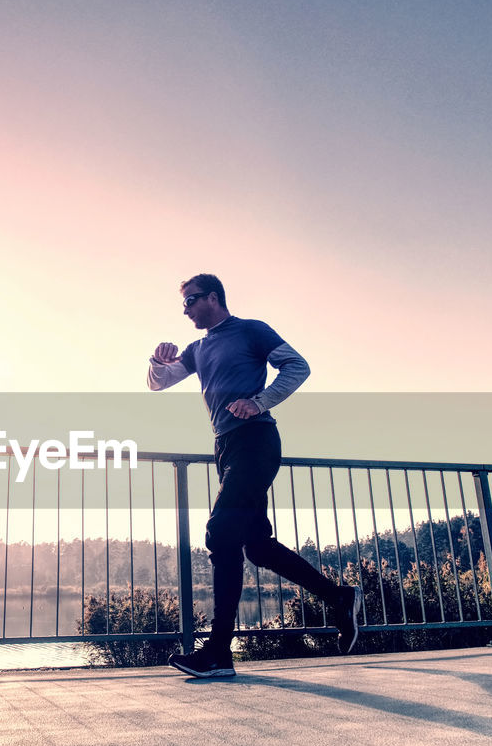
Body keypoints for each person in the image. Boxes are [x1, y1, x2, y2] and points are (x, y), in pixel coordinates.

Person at [147, 274, 362, 678]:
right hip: (226, 447)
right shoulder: (197, 349)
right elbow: (159, 383)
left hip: (256, 441)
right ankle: (338, 598)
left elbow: (298, 366)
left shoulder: (251, 331)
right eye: (183, 304)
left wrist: (259, 401)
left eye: (191, 300)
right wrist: (156, 361)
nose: (186, 309)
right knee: (258, 548)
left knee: (220, 533)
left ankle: (216, 653)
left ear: (213, 297)